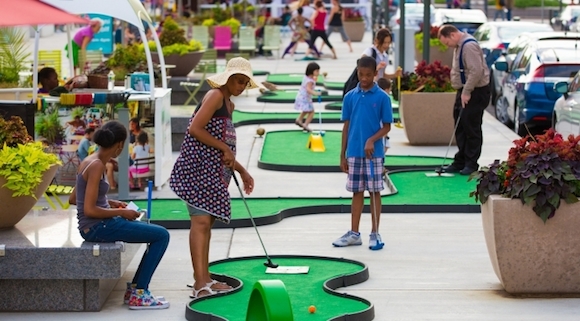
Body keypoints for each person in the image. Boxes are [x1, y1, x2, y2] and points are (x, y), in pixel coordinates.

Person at [169, 57, 257, 299]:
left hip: (214, 173)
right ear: (227, 78)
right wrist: (225, 150)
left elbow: (223, 145)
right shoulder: (215, 96)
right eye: (238, 81)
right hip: (197, 169)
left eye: (244, 83)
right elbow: (195, 128)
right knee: (200, 222)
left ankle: (204, 277)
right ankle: (199, 283)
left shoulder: (229, 105)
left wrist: (241, 169)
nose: (240, 86)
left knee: (207, 224)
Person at [68, 121, 170, 310]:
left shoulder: (90, 160)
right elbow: (89, 210)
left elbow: (74, 198)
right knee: (162, 235)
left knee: (156, 235)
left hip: (94, 226)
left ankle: (136, 291)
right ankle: (139, 293)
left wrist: (110, 203)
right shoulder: (97, 165)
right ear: (120, 145)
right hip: (98, 227)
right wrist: (122, 212)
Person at [334, 56, 392, 250]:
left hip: (373, 155)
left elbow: (386, 127)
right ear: (357, 72)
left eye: (368, 74)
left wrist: (371, 140)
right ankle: (354, 233)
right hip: (354, 153)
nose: (364, 78)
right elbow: (346, 126)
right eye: (361, 74)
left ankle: (375, 233)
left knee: (375, 191)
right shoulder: (350, 97)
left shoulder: (382, 97)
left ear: (376, 74)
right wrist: (342, 154)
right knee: (356, 192)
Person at [438, 24, 490, 175]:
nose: (448, 46)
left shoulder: (469, 46)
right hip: (464, 90)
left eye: (447, 43)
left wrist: (467, 91)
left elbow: (476, 71)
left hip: (475, 91)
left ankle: (471, 163)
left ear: (452, 35)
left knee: (471, 126)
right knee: (460, 124)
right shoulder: (459, 46)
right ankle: (461, 160)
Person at [294, 62, 322, 133]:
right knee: (311, 111)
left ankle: (299, 120)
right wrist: (316, 93)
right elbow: (308, 89)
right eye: (317, 71)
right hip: (305, 98)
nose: (318, 73)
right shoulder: (310, 81)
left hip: (301, 96)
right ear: (311, 71)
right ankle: (306, 125)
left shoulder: (307, 77)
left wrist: (314, 79)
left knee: (306, 110)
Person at [377, 78, 392, 155]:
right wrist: (386, 137)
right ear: (386, 89)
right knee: (383, 148)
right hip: (381, 130)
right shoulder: (385, 99)